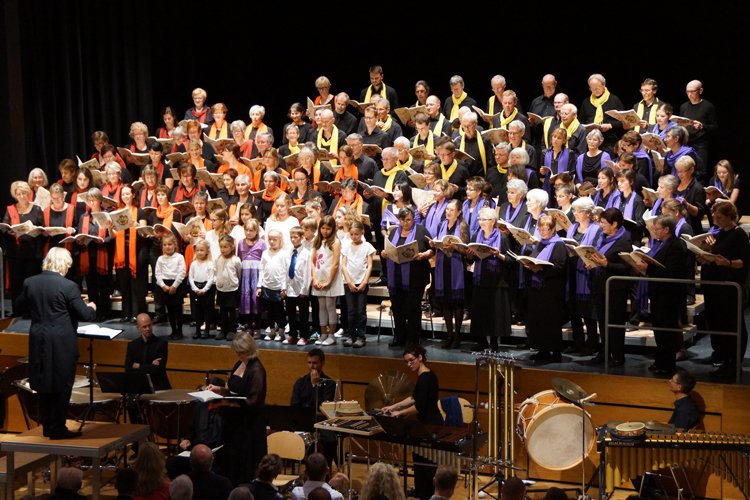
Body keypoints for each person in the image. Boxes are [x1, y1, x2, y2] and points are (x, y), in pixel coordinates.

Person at [16, 247, 96, 439]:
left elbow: (19, 306)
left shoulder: (30, 282)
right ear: (64, 264)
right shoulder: (68, 286)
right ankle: (58, 428)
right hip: (61, 341)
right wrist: (91, 307)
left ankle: (48, 426)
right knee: (63, 383)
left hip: (39, 338)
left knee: (43, 382)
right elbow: (84, 314)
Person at [382, 346, 442, 500]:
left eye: (411, 360)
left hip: (431, 423)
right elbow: (413, 398)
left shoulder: (426, 377)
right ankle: (420, 490)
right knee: (418, 458)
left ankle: (428, 494)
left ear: (420, 357)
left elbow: (419, 406)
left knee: (427, 461)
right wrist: (393, 406)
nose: (409, 364)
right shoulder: (424, 375)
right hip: (424, 422)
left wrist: (399, 413)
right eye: (406, 362)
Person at [207, 332, 267, 485]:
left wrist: (227, 403)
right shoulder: (239, 364)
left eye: (242, 351)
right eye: (237, 351)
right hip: (235, 424)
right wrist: (219, 389)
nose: (239, 354)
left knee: (245, 467)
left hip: (249, 427)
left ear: (250, 349)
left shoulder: (257, 369)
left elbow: (253, 402)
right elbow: (235, 391)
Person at [698, 202, 750, 379]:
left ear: (729, 217)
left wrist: (727, 263)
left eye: (719, 217)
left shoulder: (738, 234)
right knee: (717, 322)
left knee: (731, 324)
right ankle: (721, 355)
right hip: (716, 287)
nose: (715, 220)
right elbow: (718, 255)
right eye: (714, 216)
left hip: (729, 288)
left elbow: (744, 261)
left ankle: (733, 363)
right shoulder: (722, 233)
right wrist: (706, 259)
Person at [634, 214, 688, 375]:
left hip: (669, 296)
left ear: (666, 229)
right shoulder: (660, 243)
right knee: (659, 330)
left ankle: (667, 365)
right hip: (658, 294)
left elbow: (671, 272)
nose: (654, 230)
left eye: (656, 228)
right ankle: (659, 361)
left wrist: (648, 269)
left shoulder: (675, 245)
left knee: (667, 332)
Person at [585, 208, 633, 367]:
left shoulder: (624, 241)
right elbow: (598, 259)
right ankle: (604, 352)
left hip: (615, 289)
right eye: (601, 222)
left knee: (615, 323)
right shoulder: (601, 238)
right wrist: (591, 263)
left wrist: (606, 264)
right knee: (603, 323)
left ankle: (618, 356)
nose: (601, 226)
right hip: (600, 286)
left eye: (604, 223)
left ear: (615, 224)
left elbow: (626, 268)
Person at [382, 206, 435, 346]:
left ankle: (413, 338)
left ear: (413, 219)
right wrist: (384, 253)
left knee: (412, 308)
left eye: (409, 220)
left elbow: (432, 250)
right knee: (397, 308)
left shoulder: (421, 231)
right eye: (402, 220)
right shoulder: (394, 232)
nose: (406, 223)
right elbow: (389, 248)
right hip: (396, 278)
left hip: (415, 277)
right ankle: (399, 336)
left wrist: (423, 255)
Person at [521, 215, 568, 363]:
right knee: (539, 320)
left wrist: (541, 268)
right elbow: (535, 257)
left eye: (545, 230)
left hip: (551, 289)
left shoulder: (559, 245)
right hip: (538, 288)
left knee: (551, 321)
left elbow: (560, 266)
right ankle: (543, 350)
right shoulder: (541, 243)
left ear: (553, 229)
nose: (542, 233)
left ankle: (556, 352)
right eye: (540, 229)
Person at [467, 208, 511, 351]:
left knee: (495, 312)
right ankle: (481, 341)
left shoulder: (502, 238)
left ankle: (493, 342)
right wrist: (469, 254)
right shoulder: (476, 236)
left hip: (497, 279)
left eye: (484, 219)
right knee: (480, 311)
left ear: (493, 221)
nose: (481, 222)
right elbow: (471, 260)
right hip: (480, 278)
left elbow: (510, 260)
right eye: (479, 219)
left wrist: (498, 255)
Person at [166, 377, 226, 479]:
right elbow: (192, 429)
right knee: (169, 465)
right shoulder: (200, 406)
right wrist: (188, 439)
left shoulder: (228, 411)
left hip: (216, 456)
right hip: (196, 451)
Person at [565, 198, 602, 355]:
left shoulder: (596, 229)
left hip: (587, 274)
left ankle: (592, 343)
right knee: (574, 311)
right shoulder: (572, 228)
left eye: (578, 211)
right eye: (574, 210)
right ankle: (577, 342)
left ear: (587, 213)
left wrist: (589, 259)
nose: (575, 214)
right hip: (572, 272)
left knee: (588, 312)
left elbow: (597, 250)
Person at [341, 221, 375, 347]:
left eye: (356, 234)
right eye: (351, 234)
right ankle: (351, 335)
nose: (354, 236)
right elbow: (343, 265)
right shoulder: (346, 247)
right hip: (349, 282)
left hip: (362, 282)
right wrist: (349, 281)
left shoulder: (367, 246)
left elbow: (369, 265)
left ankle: (361, 336)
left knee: (361, 311)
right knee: (351, 311)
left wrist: (365, 281)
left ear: (362, 233)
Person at [312, 216, 344, 346]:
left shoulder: (335, 242)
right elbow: (313, 262)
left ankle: (331, 335)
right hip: (319, 277)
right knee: (321, 307)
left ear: (333, 229)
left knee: (330, 306)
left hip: (331, 278)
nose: (325, 231)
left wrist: (329, 281)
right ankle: (323, 334)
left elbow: (335, 263)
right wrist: (314, 278)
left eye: (328, 228)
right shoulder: (317, 241)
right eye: (323, 228)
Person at [577, 74, 624, 153]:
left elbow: (623, 121)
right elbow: (580, 121)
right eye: (592, 88)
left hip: (609, 140)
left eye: (597, 88)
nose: (595, 91)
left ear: (604, 85)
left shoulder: (614, 100)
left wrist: (610, 125)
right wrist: (587, 128)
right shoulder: (586, 102)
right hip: (591, 140)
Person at [125, 313, 171, 391]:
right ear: (138, 328)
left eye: (149, 325)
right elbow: (128, 369)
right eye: (144, 327)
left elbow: (159, 368)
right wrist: (151, 366)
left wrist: (139, 366)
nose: (148, 329)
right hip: (139, 385)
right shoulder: (132, 345)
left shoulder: (161, 343)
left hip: (158, 385)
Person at [679, 80, 718, 171]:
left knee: (699, 170)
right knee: (685, 170)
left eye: (692, 91)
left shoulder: (708, 106)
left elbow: (715, 126)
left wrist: (702, 127)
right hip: (686, 143)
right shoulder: (683, 107)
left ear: (700, 91)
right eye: (687, 92)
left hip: (700, 144)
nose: (690, 94)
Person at [155, 233, 186, 340]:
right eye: (165, 245)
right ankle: (173, 331)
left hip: (176, 285)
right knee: (170, 310)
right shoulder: (160, 259)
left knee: (178, 310)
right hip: (165, 285)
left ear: (175, 244)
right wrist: (163, 285)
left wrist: (174, 286)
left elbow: (182, 272)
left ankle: (179, 331)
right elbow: (158, 274)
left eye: (170, 244)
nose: (167, 247)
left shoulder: (179, 257)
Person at [189, 238, 217, 340]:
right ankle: (197, 331)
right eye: (197, 250)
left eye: (202, 250)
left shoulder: (209, 264)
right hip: (196, 288)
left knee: (207, 311)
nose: (199, 252)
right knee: (198, 312)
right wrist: (195, 288)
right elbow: (190, 277)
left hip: (207, 289)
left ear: (207, 251)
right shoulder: (193, 264)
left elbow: (210, 279)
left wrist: (204, 290)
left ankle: (206, 331)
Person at [216, 235, 242, 340]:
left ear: (232, 247)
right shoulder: (218, 259)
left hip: (232, 289)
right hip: (221, 288)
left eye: (225, 247)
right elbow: (217, 272)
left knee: (231, 310)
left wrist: (236, 284)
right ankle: (223, 330)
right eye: (221, 247)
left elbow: (239, 274)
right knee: (223, 311)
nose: (223, 249)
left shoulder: (236, 260)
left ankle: (231, 330)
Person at [673, 156, 706, 235]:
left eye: (683, 171)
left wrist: (687, 205)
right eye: (678, 171)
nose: (680, 174)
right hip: (675, 227)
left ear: (692, 170)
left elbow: (700, 212)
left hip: (691, 229)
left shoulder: (697, 188)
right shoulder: (675, 184)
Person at [454, 112, 494, 176]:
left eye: (469, 126)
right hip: (464, 178)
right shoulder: (457, 141)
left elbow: (490, 163)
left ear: (476, 124)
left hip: (480, 178)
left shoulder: (485, 141)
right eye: (464, 126)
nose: (466, 129)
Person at [541, 128, 578, 197]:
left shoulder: (570, 153)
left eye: (559, 138)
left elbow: (571, 173)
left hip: (563, 186)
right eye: (554, 136)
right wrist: (542, 172)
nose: (555, 139)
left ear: (564, 141)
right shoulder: (545, 153)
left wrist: (559, 180)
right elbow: (541, 174)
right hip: (548, 185)